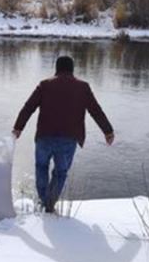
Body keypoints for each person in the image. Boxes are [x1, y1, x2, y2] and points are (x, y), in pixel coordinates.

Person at [12, 56, 115, 213]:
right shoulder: (83, 87)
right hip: (69, 138)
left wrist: (18, 128)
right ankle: (49, 204)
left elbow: (29, 107)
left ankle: (44, 201)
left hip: (44, 137)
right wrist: (107, 131)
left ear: (57, 68)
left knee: (41, 167)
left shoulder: (45, 85)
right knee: (60, 173)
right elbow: (96, 110)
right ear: (72, 69)